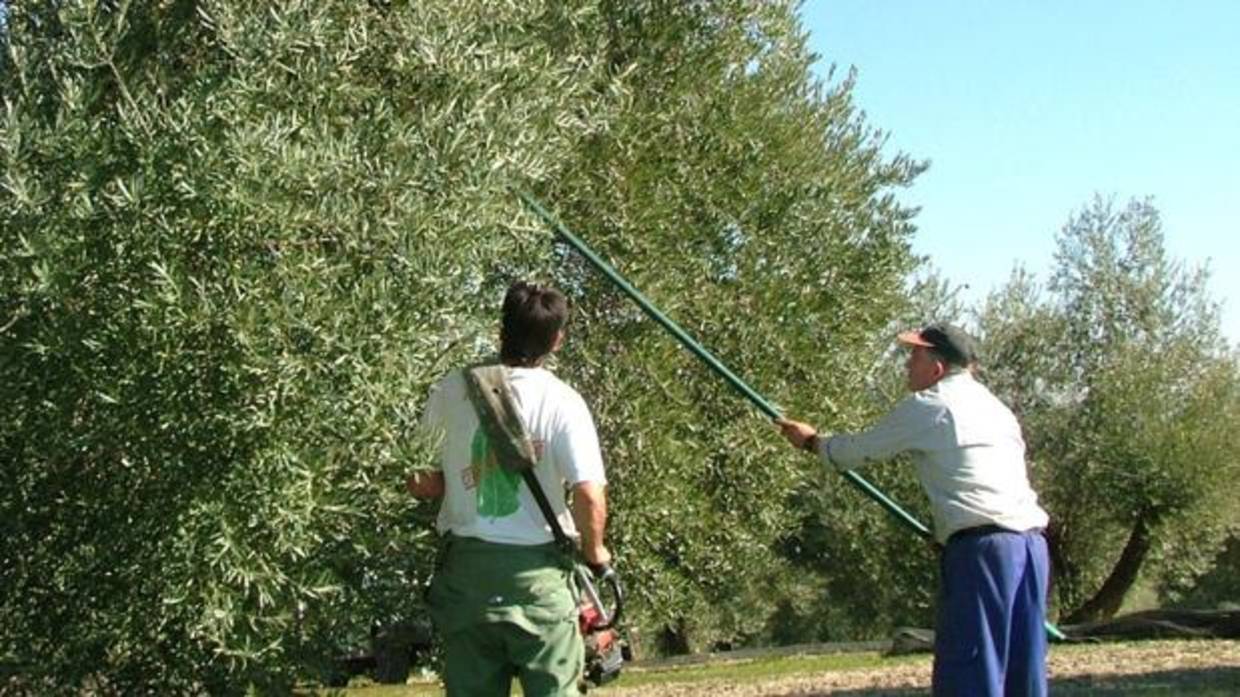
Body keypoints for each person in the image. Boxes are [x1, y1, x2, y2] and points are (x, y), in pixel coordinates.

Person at [777, 323, 1050, 697]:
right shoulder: (997, 408)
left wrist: (811, 442)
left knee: (972, 671)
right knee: (1023, 674)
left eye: (914, 356)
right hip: (1031, 549)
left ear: (937, 367)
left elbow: (858, 450)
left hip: (983, 552)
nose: (907, 365)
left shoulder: (932, 405)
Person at [408, 280, 611, 697]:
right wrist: (596, 553)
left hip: (467, 580)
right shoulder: (563, 401)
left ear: (500, 330)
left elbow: (420, 481)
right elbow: (588, 495)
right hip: (537, 582)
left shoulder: (451, 390)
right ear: (557, 339)